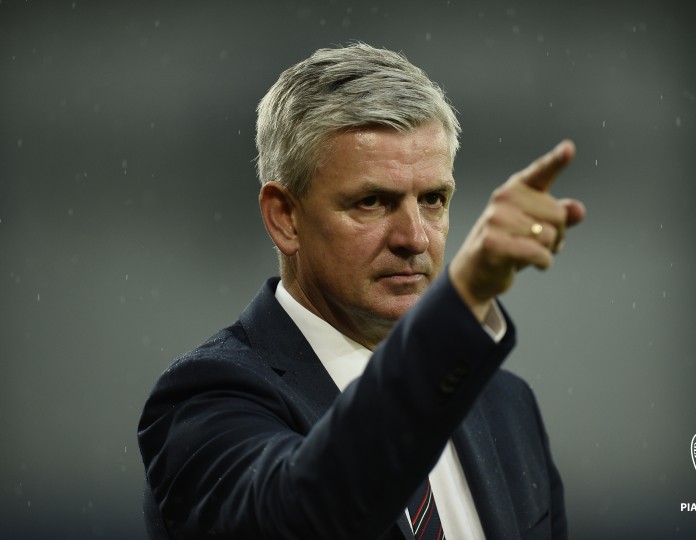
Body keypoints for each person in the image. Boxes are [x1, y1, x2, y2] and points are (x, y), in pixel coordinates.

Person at [138, 42, 586, 540]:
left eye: (433, 199)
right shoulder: (205, 398)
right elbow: (302, 518)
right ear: (284, 218)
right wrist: (461, 302)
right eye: (372, 201)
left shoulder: (505, 407)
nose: (414, 238)